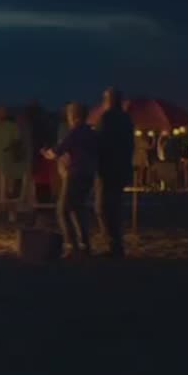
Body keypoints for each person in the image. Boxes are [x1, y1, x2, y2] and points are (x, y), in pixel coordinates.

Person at [41, 102, 98, 257]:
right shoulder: (91, 132)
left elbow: (57, 151)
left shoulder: (74, 132)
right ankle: (84, 245)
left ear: (73, 116)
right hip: (88, 175)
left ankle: (71, 244)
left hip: (75, 175)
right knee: (77, 209)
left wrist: (46, 153)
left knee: (63, 210)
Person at [94, 87, 134, 257]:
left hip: (108, 169)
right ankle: (116, 245)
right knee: (114, 207)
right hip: (122, 169)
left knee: (103, 208)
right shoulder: (126, 119)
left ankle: (113, 244)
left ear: (108, 101)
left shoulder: (107, 118)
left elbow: (100, 143)